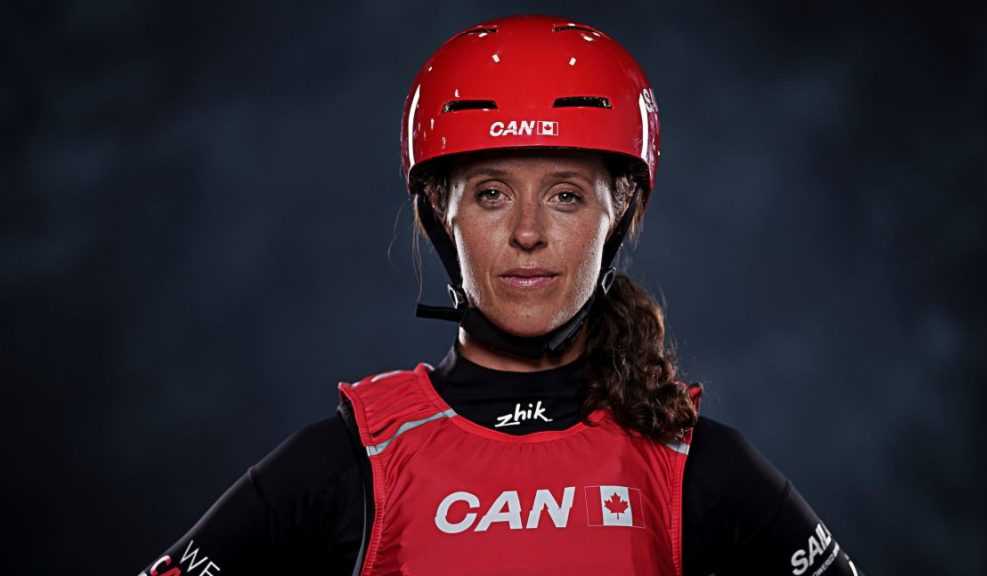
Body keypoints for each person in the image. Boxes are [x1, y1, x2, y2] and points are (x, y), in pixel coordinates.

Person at [140, 15, 864, 576]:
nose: (527, 233)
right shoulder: (351, 461)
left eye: (566, 196)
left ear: (621, 213)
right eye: (491, 194)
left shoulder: (694, 465)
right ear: (438, 211)